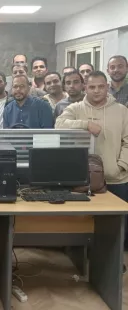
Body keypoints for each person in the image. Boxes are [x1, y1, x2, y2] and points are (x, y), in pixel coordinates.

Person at [55, 71, 128, 249]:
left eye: (101, 86)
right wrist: (85, 124)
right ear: (85, 88)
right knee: (85, 226)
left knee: (116, 229)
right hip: (84, 180)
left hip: (116, 179)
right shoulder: (76, 108)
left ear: (107, 87)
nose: (96, 91)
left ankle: (114, 261)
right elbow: (59, 124)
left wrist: (120, 166)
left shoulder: (121, 111)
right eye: (92, 87)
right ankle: (86, 258)